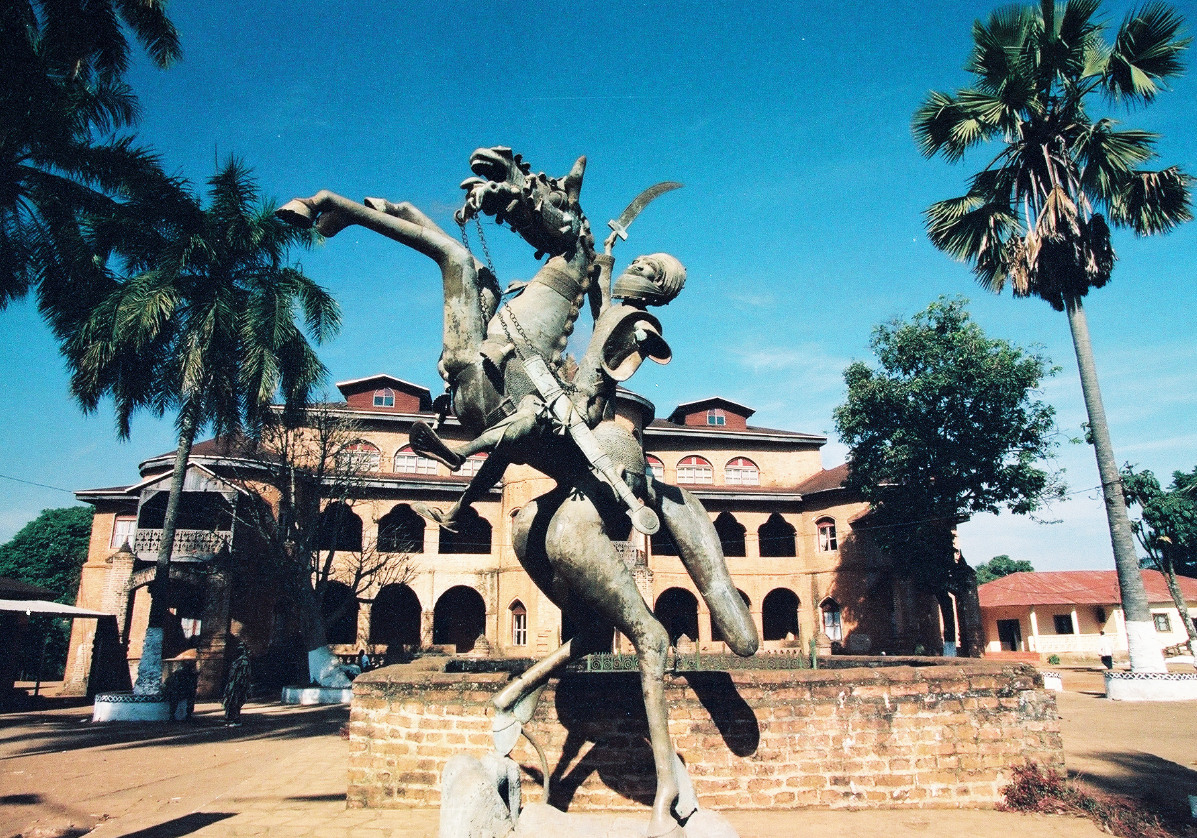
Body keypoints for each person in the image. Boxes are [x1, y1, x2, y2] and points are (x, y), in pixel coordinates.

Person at [223, 644, 252, 725]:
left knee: (236, 703)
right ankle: (231, 718)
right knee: (230, 702)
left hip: (239, 685)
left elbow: (245, 675)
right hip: (233, 684)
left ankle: (236, 719)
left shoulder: (243, 661)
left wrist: (242, 684)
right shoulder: (238, 660)